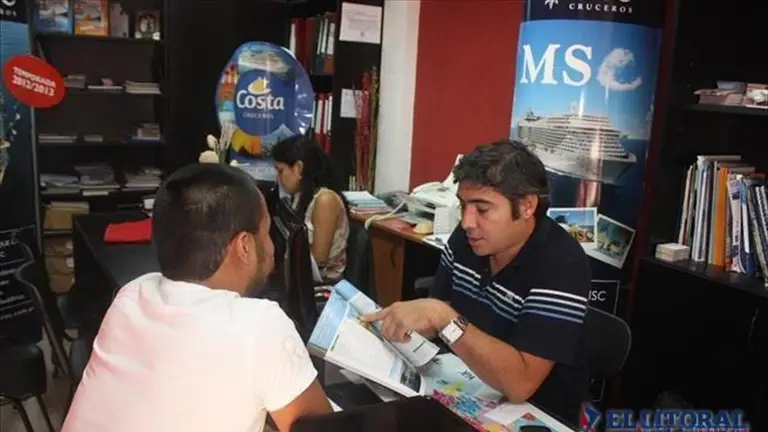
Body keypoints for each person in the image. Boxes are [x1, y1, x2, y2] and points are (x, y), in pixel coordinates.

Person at [62, 164, 331, 432]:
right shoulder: (260, 326)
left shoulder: (132, 294)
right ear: (245, 246)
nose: (272, 248)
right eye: (267, 233)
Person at [362, 140, 591, 424]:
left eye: (482, 209)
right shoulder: (466, 238)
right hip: (470, 384)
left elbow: (520, 384)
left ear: (527, 206)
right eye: (463, 205)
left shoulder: (562, 264)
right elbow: (436, 320)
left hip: (537, 412)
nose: (467, 222)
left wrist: (441, 316)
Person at [272, 135, 349, 282]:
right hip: (301, 279)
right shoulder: (300, 196)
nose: (278, 179)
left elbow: (317, 260)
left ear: (299, 168)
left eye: (280, 171)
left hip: (323, 284)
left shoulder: (325, 200)